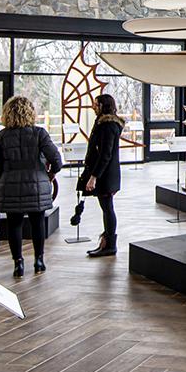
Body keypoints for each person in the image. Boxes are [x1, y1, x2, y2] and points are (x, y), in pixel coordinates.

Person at [0, 96, 62, 277]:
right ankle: (39, 260)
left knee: (14, 225)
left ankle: (18, 264)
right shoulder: (40, 133)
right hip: (36, 186)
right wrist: (51, 174)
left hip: (10, 186)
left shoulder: (2, 136)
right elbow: (56, 159)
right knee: (37, 223)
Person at [79, 94, 123, 258]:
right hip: (106, 173)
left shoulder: (107, 126)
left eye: (95, 104)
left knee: (107, 208)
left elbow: (105, 154)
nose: (93, 106)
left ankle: (110, 245)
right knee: (107, 208)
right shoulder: (106, 124)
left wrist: (94, 177)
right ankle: (107, 242)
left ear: (103, 105)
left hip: (105, 175)